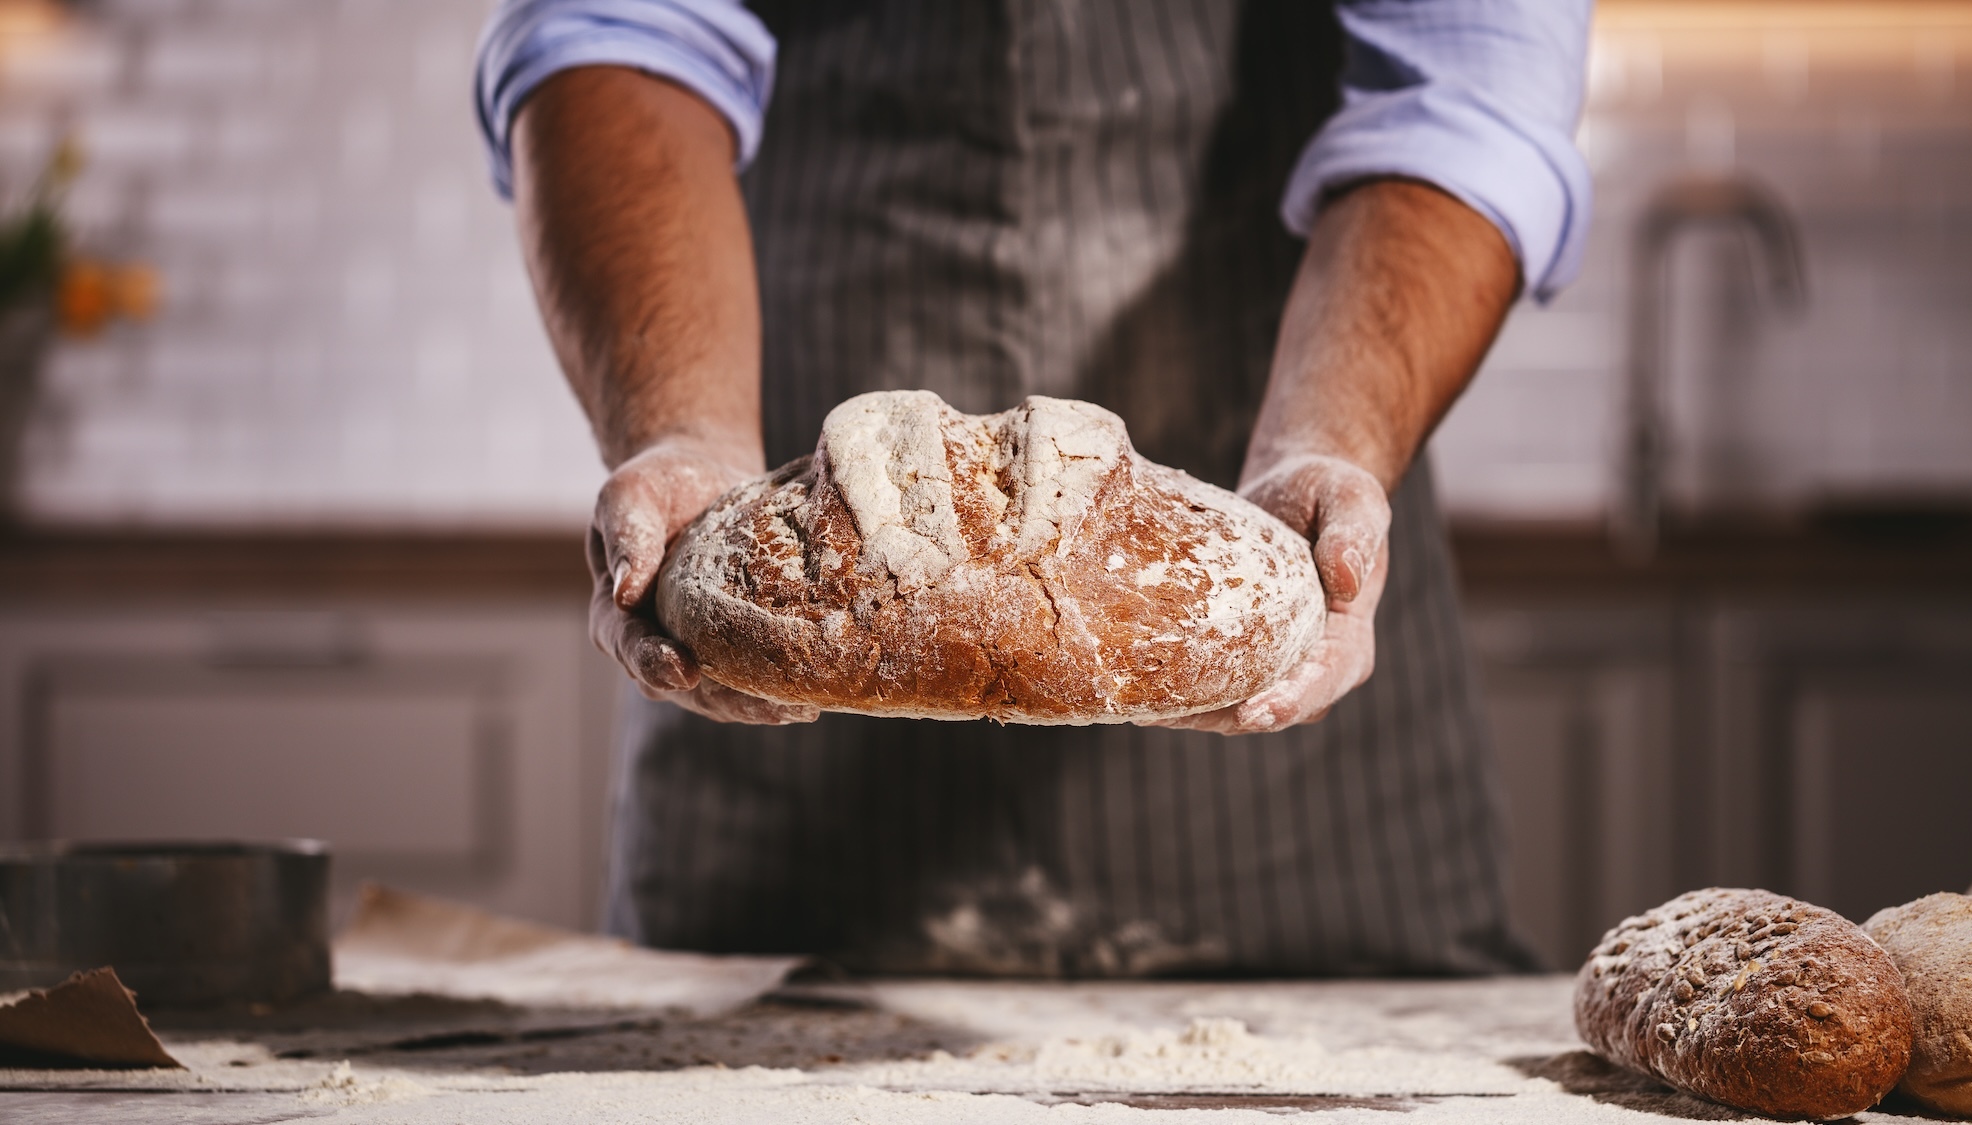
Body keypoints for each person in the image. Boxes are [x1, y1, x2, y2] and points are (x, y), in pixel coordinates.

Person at [475, 0, 1591, 976]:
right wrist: (682, 427)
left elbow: (1468, 99)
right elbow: (613, 32)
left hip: (1296, 757)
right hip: (793, 681)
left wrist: (1328, 444)